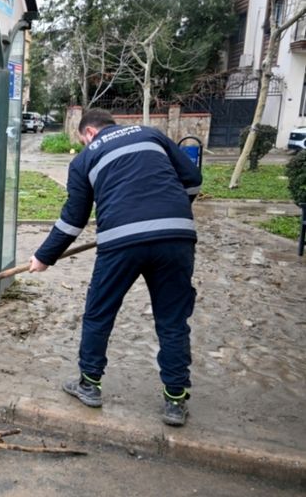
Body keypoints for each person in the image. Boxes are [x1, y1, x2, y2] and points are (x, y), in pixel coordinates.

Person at [28, 109, 202, 427]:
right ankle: (175, 401)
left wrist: (43, 257)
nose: (83, 144)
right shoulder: (151, 135)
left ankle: (89, 385)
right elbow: (192, 179)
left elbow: (73, 219)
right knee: (173, 320)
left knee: (99, 313)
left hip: (121, 243)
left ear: (90, 133)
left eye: (82, 139)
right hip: (176, 238)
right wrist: (168, 216)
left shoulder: (83, 160)